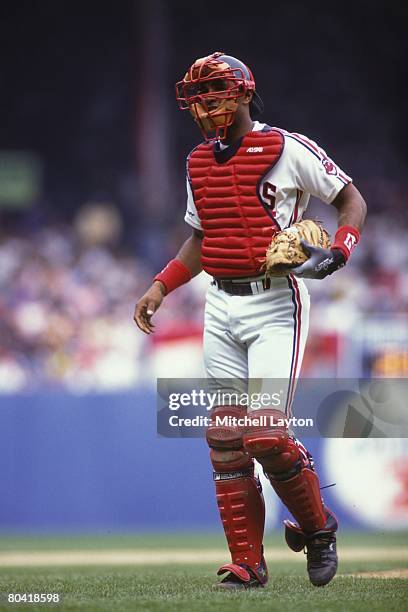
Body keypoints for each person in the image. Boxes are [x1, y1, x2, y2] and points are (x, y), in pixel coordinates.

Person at [134, 52, 367, 589]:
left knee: (263, 436)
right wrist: (160, 284)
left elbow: (349, 196)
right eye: (197, 95)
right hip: (221, 301)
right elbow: (202, 238)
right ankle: (248, 563)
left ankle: (319, 527)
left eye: (214, 92)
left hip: (274, 302)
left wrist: (340, 248)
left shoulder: (285, 146)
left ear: (242, 93)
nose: (204, 104)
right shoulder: (196, 161)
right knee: (224, 437)